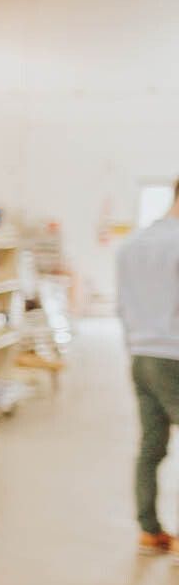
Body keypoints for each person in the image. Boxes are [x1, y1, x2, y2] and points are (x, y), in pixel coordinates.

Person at [118, 180, 179, 554]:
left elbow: (122, 304)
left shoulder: (133, 243)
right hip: (174, 355)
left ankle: (148, 528)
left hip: (140, 355)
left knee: (151, 446)